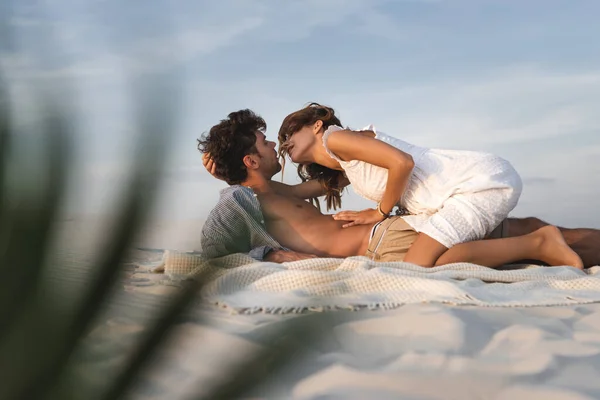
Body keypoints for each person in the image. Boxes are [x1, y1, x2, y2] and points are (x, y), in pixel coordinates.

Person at [197, 109, 589, 269]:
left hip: (385, 239)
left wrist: (231, 171)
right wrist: (272, 253)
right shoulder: (244, 198)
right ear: (249, 161)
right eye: (265, 144)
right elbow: (215, 243)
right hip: (402, 225)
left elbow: (339, 175)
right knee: (529, 230)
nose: (273, 147)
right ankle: (545, 242)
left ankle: (539, 245)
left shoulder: (274, 193)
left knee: (424, 268)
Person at [277, 103, 525, 268]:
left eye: (290, 133)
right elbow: (291, 192)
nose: (285, 142)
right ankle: (542, 244)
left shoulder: (336, 137)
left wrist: (379, 212)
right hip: (451, 197)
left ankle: (539, 245)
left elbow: (402, 163)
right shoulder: (343, 165)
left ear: (317, 125)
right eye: (281, 140)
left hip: (473, 182)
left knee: (414, 267)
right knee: (422, 264)